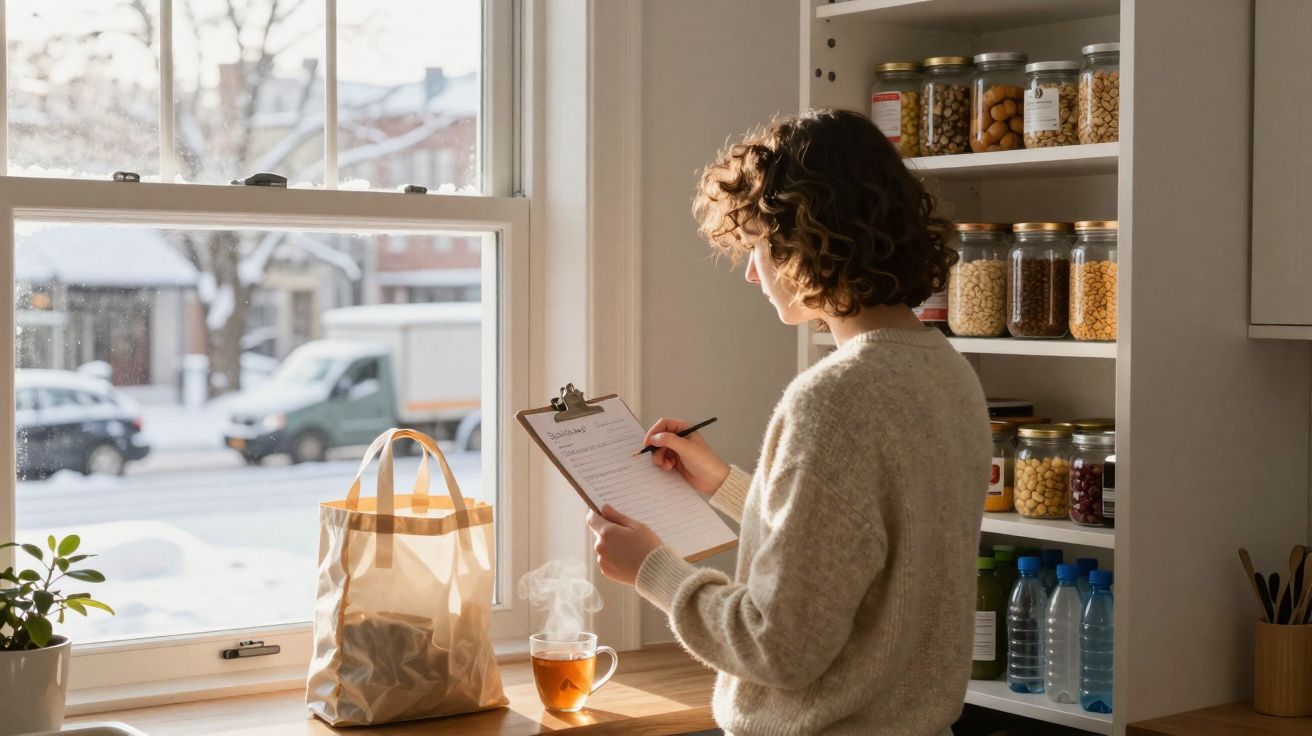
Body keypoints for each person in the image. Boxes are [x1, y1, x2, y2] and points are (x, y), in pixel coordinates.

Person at [586, 108, 989, 735]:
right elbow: (861, 548)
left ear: (810, 239)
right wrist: (727, 485)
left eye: (757, 246)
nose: (752, 272)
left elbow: (779, 647)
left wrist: (654, 570)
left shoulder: (834, 398)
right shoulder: (946, 374)